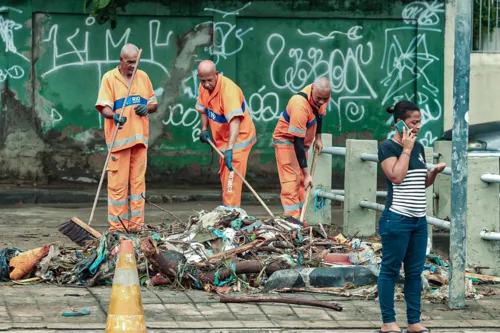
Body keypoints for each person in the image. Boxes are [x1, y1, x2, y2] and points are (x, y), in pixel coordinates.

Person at [377, 100, 446, 333]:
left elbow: (419, 183)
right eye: (412, 122)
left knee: (415, 273)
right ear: (399, 123)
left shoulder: (419, 147)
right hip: (397, 218)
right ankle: (389, 322)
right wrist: (405, 148)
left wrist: (433, 173)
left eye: (419, 122)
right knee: (390, 270)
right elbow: (396, 177)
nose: (417, 127)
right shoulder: (388, 148)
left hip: (419, 221)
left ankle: (414, 322)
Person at [95, 43, 157, 232]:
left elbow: (153, 103)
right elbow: (103, 106)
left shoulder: (143, 77)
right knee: (117, 188)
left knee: (138, 187)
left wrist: (147, 108)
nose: (133, 66)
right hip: (118, 142)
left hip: (139, 141)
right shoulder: (109, 78)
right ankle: (117, 228)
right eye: (130, 62)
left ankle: (137, 226)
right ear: (121, 60)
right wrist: (112, 115)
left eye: (136, 62)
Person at [195, 60, 257, 209]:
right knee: (225, 176)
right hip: (223, 140)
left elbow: (235, 122)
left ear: (216, 74)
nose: (206, 84)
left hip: (239, 139)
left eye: (209, 80)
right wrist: (204, 129)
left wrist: (230, 150)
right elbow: (203, 109)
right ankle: (228, 211)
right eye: (203, 81)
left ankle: (231, 214)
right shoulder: (203, 87)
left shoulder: (228, 91)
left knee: (231, 179)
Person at [272, 77, 331, 219]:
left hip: (303, 142)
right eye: (319, 98)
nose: (322, 102)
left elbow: (320, 115)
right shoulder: (300, 105)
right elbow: (297, 142)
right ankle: (292, 223)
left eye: (325, 99)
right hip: (286, 140)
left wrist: (318, 138)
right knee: (291, 182)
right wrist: (307, 174)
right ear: (312, 89)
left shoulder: (323, 94)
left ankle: (300, 220)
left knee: (300, 184)